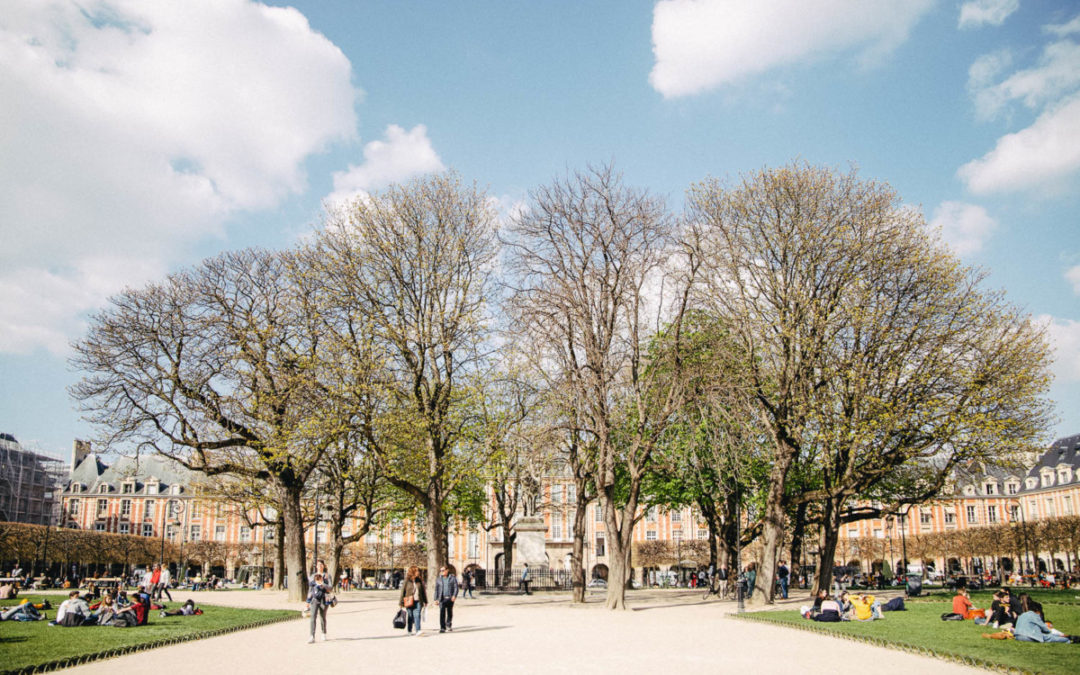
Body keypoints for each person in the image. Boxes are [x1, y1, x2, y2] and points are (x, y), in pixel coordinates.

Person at [399, 566, 427, 636]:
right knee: (410, 616)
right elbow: (403, 591)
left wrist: (425, 601)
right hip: (409, 601)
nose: (418, 572)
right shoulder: (407, 580)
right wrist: (401, 602)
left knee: (417, 615)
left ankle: (418, 630)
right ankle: (409, 630)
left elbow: (423, 591)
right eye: (417, 571)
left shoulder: (419, 580)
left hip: (418, 600)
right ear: (413, 572)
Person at [307, 572, 331, 643]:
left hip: (323, 601)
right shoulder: (313, 584)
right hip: (314, 601)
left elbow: (329, 590)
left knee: (322, 617)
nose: (318, 580)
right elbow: (310, 592)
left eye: (319, 578)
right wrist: (307, 602)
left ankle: (323, 633)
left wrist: (323, 584)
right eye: (316, 578)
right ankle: (312, 635)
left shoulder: (325, 583)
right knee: (313, 617)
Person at [434, 565, 458, 633]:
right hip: (442, 598)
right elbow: (436, 590)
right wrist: (435, 599)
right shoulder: (438, 579)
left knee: (449, 612)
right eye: (441, 571)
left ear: (447, 570)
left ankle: (448, 625)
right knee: (442, 613)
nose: (442, 572)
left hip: (450, 598)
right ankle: (442, 627)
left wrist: (454, 595)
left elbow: (456, 587)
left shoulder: (452, 578)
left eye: (443, 570)